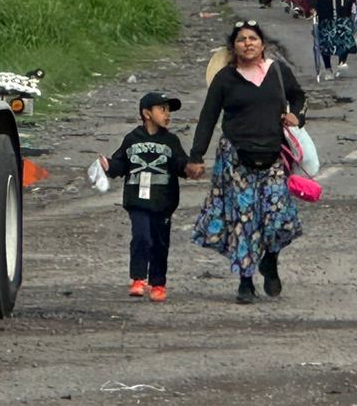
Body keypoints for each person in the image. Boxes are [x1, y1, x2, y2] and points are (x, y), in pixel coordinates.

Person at [188, 21, 306, 304]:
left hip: (273, 158)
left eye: (253, 39)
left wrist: (297, 117)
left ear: (263, 44)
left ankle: (270, 261)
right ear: (234, 47)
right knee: (244, 222)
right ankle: (245, 282)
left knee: (279, 221)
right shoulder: (225, 79)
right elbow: (208, 118)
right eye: (242, 40)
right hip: (236, 160)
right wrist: (196, 156)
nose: (248, 43)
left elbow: (298, 97)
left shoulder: (278, 72)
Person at [101, 92, 192, 302]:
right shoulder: (132, 139)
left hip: (163, 202)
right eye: (162, 109)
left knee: (160, 242)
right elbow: (121, 163)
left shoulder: (171, 141)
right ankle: (138, 278)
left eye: (168, 110)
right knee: (141, 237)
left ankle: (158, 283)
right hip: (138, 201)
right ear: (147, 113)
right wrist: (108, 165)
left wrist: (188, 168)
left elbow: (179, 164)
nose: (167, 114)